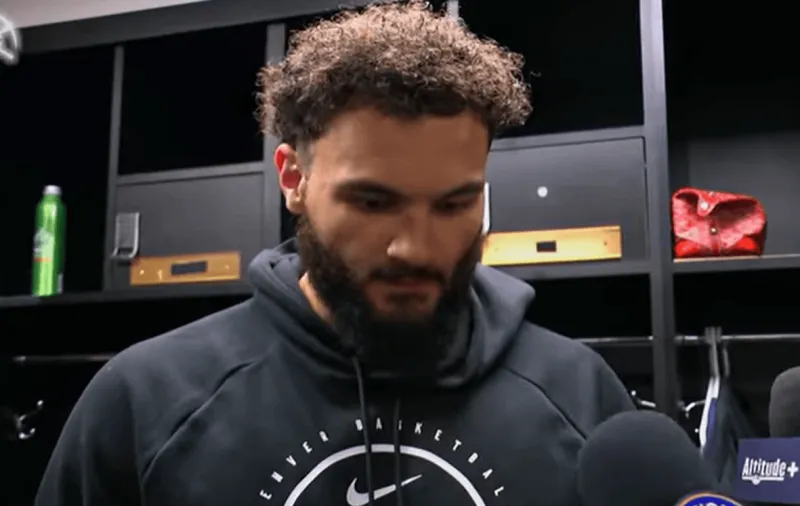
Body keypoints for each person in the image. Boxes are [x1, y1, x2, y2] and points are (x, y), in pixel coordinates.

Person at [36, 2, 635, 505]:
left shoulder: (580, 395)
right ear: (293, 178)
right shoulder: (144, 402)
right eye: (373, 202)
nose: (415, 248)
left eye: (453, 205)